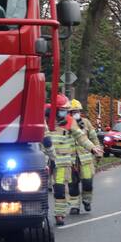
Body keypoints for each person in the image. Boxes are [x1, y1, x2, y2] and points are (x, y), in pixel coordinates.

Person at [42, 94, 98, 226]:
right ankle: (40, 214)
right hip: (45, 160)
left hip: (62, 162)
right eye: (63, 110)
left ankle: (59, 214)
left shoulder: (70, 121)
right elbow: (42, 137)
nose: (66, 113)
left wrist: (93, 148)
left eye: (68, 110)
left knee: (60, 189)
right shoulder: (44, 120)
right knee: (38, 189)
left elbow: (81, 137)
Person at [68, 99, 100, 214]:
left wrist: (98, 151)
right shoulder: (65, 124)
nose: (75, 113)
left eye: (77, 111)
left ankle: (87, 201)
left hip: (85, 159)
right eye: (72, 111)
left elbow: (93, 137)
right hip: (71, 159)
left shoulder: (86, 123)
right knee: (72, 185)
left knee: (87, 183)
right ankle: (74, 206)